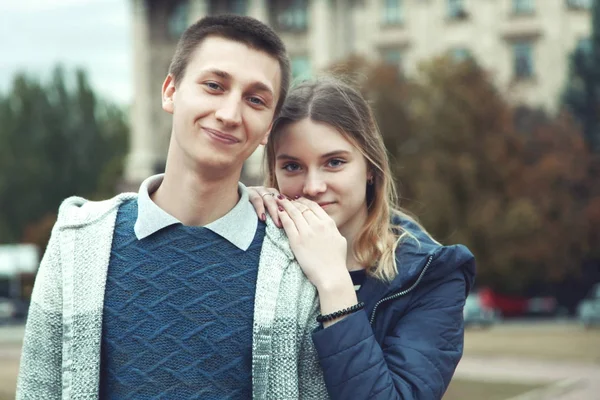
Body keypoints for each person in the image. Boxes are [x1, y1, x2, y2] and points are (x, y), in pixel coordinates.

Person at [17, 15, 329, 399]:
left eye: (255, 100)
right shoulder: (77, 242)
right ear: (170, 92)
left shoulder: (295, 260)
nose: (230, 114)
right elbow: (38, 390)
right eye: (214, 86)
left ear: (268, 127)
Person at [248, 77, 476, 399]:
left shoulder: (431, 274)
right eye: (293, 166)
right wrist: (234, 207)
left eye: (334, 162)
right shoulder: (258, 244)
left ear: (370, 166)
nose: (313, 186)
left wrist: (334, 283)